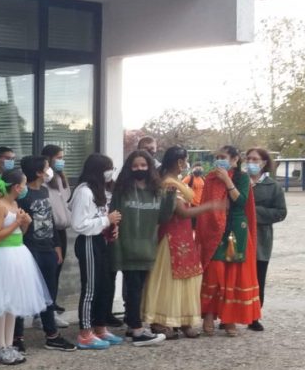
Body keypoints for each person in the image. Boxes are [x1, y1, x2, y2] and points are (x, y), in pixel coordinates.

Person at [143, 147, 224, 339]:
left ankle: (183, 320)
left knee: (189, 277)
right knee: (169, 280)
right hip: (171, 236)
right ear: (180, 161)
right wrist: (209, 206)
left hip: (185, 234)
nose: (186, 163)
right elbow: (182, 212)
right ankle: (161, 321)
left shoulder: (177, 180)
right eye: (185, 160)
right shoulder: (168, 183)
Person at [0, 168, 53, 364]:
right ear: (17, 187)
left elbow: (19, 231)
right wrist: (17, 222)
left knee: (12, 303)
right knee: (0, 303)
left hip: (18, 254)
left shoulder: (15, 204)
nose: (26, 187)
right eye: (24, 184)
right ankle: (0, 346)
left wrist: (25, 223)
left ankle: (9, 344)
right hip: (2, 255)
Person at [196, 145, 261, 336]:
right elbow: (206, 206)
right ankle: (208, 314)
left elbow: (240, 201)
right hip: (215, 230)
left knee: (233, 272)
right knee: (214, 272)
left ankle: (229, 318)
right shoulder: (210, 178)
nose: (219, 160)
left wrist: (227, 180)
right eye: (217, 156)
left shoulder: (242, 178)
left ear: (234, 159)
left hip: (235, 230)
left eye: (223, 157)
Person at [108, 151, 169, 346]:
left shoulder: (157, 190)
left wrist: (172, 196)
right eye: (135, 166)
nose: (139, 169)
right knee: (133, 288)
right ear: (128, 168)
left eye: (143, 165)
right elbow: (113, 215)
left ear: (150, 167)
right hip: (126, 245)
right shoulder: (122, 189)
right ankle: (137, 330)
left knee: (138, 289)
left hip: (147, 246)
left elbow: (163, 217)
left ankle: (131, 326)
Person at [16, 156, 76, 352]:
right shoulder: (22, 195)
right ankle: (17, 337)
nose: (50, 170)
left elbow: (49, 219)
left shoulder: (44, 190)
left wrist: (56, 245)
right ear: (38, 172)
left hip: (47, 248)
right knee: (23, 293)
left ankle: (52, 335)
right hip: (29, 248)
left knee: (48, 294)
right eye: (47, 167)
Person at [70, 154, 123, 350]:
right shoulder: (84, 191)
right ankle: (85, 332)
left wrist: (110, 227)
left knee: (104, 286)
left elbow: (100, 216)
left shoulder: (101, 189)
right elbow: (79, 224)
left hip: (101, 240)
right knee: (91, 288)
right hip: (88, 242)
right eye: (107, 168)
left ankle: (100, 327)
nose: (111, 172)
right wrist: (106, 221)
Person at [245, 147, 287, 331]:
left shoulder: (273, 186)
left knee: (257, 278)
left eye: (255, 159)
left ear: (263, 162)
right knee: (235, 277)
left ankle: (254, 316)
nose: (251, 162)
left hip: (261, 239)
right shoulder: (238, 182)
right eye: (248, 159)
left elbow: (280, 212)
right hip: (238, 236)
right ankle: (228, 316)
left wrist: (254, 213)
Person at [41, 144, 71, 324]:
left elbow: (65, 200)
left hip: (62, 228)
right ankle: (46, 313)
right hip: (50, 229)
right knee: (49, 272)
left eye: (62, 157)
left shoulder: (60, 178)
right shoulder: (45, 179)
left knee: (56, 270)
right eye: (58, 157)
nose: (61, 161)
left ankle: (52, 306)